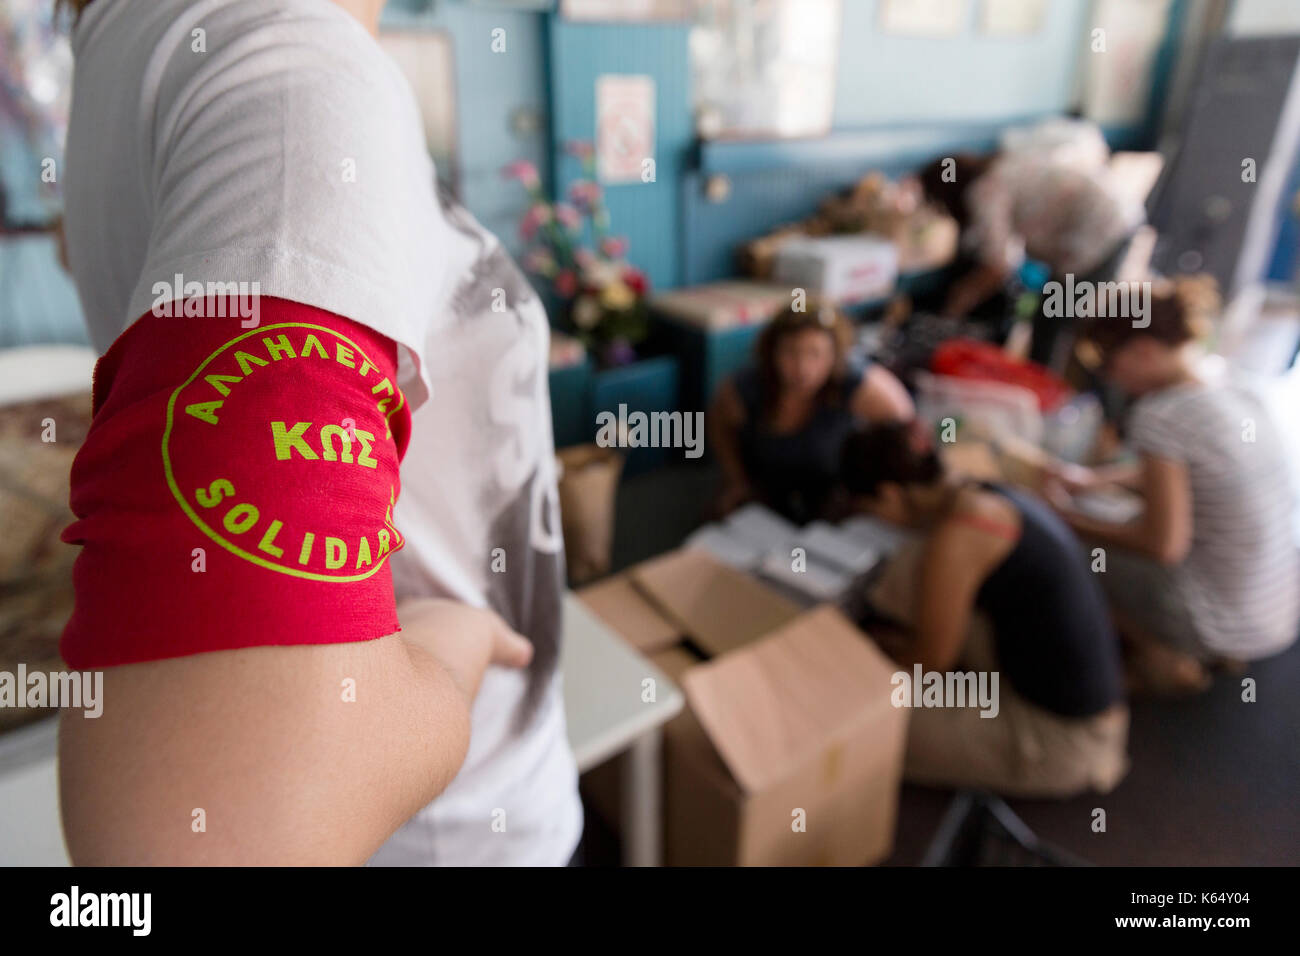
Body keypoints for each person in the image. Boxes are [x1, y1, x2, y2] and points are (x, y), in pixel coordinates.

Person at [56, 0, 580, 865]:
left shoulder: (125, 50)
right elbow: (203, 835)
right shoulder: (290, 71)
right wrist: (459, 641)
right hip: (460, 832)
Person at [841, 421, 1128, 798]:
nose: (875, 520)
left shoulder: (963, 532)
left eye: (870, 509)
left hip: (1062, 737)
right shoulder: (983, 494)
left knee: (854, 720)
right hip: (1078, 697)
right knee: (913, 571)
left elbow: (929, 662)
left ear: (890, 494)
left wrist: (870, 656)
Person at [1044, 278, 1300, 692]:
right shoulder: (1233, 388)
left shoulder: (1162, 415)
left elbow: (1163, 545)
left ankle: (1163, 652)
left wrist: (1066, 520)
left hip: (1212, 622)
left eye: (1110, 365)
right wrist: (1092, 481)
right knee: (1110, 512)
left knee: (1061, 546)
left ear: (1143, 350)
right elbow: (1191, 477)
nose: (1110, 378)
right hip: (1272, 615)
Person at [919, 150, 1143, 370]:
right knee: (1061, 318)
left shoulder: (984, 190)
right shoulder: (1002, 165)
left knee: (1054, 320)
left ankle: (1042, 388)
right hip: (1120, 216)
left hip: (1101, 231)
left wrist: (959, 301)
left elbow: (999, 264)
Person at [710, 303, 913, 524]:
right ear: (772, 352)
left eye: (815, 354)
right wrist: (735, 478)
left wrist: (880, 489)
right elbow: (718, 425)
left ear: (835, 356)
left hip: (831, 492)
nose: (802, 368)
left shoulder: (855, 385)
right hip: (764, 488)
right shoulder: (746, 388)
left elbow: (905, 426)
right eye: (790, 352)